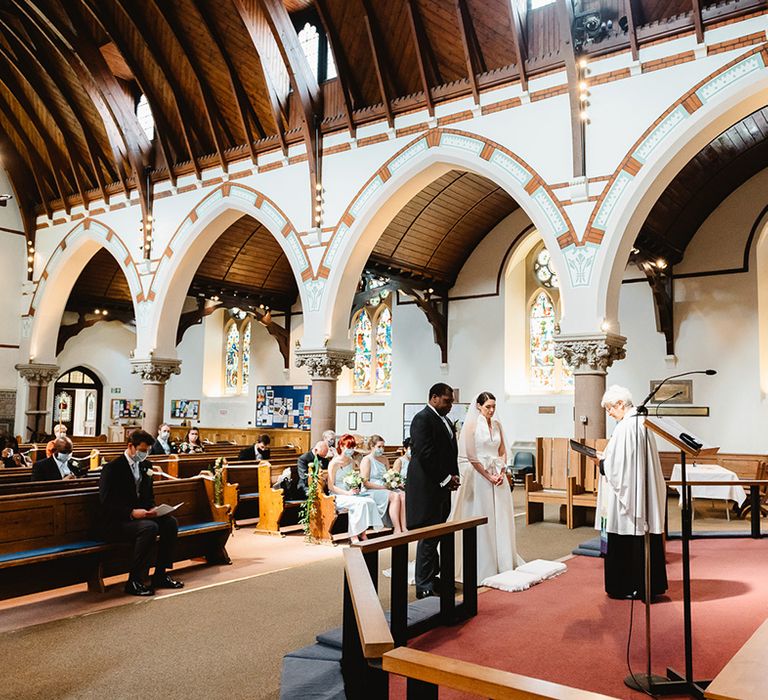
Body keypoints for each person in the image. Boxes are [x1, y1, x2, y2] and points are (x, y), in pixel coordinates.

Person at [595, 385, 668, 600]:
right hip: (640, 493)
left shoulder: (627, 426)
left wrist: (601, 463)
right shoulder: (640, 423)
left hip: (629, 500)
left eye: (610, 408)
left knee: (629, 535)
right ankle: (649, 585)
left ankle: (627, 585)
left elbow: (618, 468)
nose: (609, 413)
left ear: (620, 404)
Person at [99, 430, 184, 596]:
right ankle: (134, 581)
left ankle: (160, 574)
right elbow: (106, 502)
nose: (145, 454)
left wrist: (152, 509)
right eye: (142, 450)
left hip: (141, 517)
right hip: (117, 521)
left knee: (170, 523)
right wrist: (131, 512)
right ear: (131, 446)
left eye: (147, 451)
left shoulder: (146, 465)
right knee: (149, 528)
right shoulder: (112, 468)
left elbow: (148, 495)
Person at [450, 392, 524, 583]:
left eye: (493, 406)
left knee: (500, 516)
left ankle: (504, 559)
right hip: (479, 476)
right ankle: (484, 563)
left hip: (497, 474)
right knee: (484, 516)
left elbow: (502, 451)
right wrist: (488, 475)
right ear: (478, 407)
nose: (491, 410)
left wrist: (501, 471)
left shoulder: (498, 425)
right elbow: (472, 456)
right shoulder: (471, 427)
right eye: (487, 407)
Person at [405, 383, 460, 599]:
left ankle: (433, 577)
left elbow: (449, 453)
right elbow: (425, 454)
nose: (450, 406)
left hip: (441, 487)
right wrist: (445, 478)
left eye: (451, 402)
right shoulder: (422, 418)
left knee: (436, 533)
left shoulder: (444, 420)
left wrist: (453, 476)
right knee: (428, 536)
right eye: (447, 401)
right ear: (434, 397)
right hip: (427, 487)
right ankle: (423, 584)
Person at [327, 434, 383, 543]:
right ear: (342, 446)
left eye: (353, 447)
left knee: (369, 501)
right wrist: (347, 493)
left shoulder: (351, 461)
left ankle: (362, 532)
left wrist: (355, 488)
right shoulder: (334, 463)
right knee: (358, 504)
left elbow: (353, 479)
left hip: (350, 492)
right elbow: (331, 486)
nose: (352, 450)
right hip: (337, 494)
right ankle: (353, 535)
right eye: (349, 447)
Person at [360, 434, 406, 533]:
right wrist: (382, 487)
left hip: (384, 486)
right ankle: (396, 528)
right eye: (379, 447)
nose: (382, 449)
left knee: (403, 495)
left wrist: (393, 482)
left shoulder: (384, 459)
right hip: (371, 489)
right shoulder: (367, 460)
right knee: (394, 496)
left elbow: (388, 475)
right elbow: (365, 483)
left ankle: (404, 526)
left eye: (383, 447)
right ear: (372, 447)